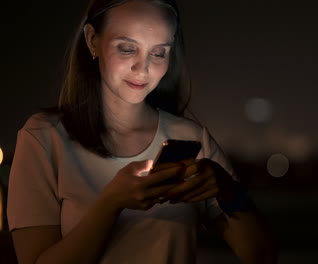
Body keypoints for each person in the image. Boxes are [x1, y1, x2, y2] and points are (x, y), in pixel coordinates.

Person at [6, 0, 277, 263]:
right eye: (126, 49)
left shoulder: (190, 138)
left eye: (158, 53)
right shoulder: (44, 138)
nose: (143, 67)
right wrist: (111, 203)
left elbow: (261, 255)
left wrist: (228, 191)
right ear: (92, 41)